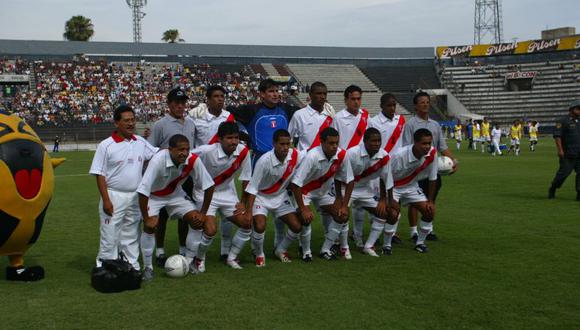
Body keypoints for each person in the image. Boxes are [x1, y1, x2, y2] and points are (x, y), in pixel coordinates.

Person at [136, 134, 215, 281]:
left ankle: (189, 262)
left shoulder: (192, 160)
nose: (184, 153)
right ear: (170, 150)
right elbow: (143, 191)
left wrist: (203, 213)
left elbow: (209, 186)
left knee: (197, 221)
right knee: (150, 227)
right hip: (153, 196)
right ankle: (147, 267)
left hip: (175, 195)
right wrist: (146, 219)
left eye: (187, 149)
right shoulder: (158, 160)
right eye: (180, 149)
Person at [89, 105, 158, 272]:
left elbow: (158, 155)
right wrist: (106, 200)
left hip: (135, 196)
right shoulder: (106, 145)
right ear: (116, 123)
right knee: (110, 233)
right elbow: (99, 174)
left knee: (131, 233)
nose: (130, 123)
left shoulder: (140, 141)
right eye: (126, 120)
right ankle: (105, 267)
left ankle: (131, 267)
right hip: (114, 195)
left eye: (132, 120)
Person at [190, 122, 253, 271]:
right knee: (211, 230)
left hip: (227, 194)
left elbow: (246, 179)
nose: (234, 141)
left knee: (246, 223)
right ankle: (199, 259)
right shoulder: (206, 151)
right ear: (219, 139)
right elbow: (185, 155)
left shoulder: (243, 152)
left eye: (236, 138)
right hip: (204, 194)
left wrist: (243, 202)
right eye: (229, 138)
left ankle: (231, 257)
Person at [147, 88, 196, 267]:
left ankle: (183, 249)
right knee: (161, 215)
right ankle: (160, 251)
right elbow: (150, 149)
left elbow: (194, 149)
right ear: (169, 104)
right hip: (165, 177)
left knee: (185, 214)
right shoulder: (160, 124)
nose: (180, 106)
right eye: (176, 102)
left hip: (185, 176)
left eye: (183, 102)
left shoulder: (191, 123)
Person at [290, 127, 354, 260]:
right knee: (306, 218)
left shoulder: (342, 155)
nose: (335, 146)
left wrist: (342, 202)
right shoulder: (312, 156)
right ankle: (306, 252)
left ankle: (325, 249)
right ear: (322, 142)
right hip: (304, 191)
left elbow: (349, 180)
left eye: (337, 143)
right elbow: (296, 184)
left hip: (323, 192)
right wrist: (302, 209)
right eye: (331, 143)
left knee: (342, 215)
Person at [244, 129, 307, 265]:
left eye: (287, 144)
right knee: (260, 226)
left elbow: (311, 156)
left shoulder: (295, 156)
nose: (285, 147)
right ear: (274, 144)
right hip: (262, 196)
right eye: (281, 144)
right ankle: (259, 254)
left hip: (280, 196)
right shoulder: (264, 161)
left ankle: (280, 250)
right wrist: (248, 212)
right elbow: (253, 188)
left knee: (297, 226)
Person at [190, 85, 237, 261]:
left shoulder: (229, 118)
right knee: (202, 217)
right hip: (203, 175)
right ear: (207, 99)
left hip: (226, 174)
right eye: (216, 96)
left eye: (222, 96)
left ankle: (225, 251)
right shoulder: (197, 118)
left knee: (228, 216)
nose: (220, 99)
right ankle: (194, 254)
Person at [402, 91, 457, 241]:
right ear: (415, 106)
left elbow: (442, 147)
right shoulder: (410, 125)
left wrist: (454, 161)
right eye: (422, 102)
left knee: (431, 199)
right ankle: (413, 231)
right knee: (414, 201)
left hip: (432, 169)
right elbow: (407, 147)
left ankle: (428, 229)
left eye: (427, 102)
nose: (426, 104)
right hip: (416, 170)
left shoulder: (435, 125)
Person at [343, 128, 397, 257]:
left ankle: (368, 246)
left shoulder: (384, 156)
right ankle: (343, 247)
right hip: (345, 189)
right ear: (365, 141)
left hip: (365, 190)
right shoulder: (351, 153)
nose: (377, 143)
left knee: (386, 213)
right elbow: (340, 175)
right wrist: (341, 200)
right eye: (373, 141)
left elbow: (386, 179)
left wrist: (385, 200)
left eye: (379, 141)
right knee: (342, 215)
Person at [331, 85, 369, 250]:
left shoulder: (366, 117)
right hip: (343, 167)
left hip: (362, 166)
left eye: (358, 98)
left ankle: (358, 235)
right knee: (340, 203)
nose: (356, 102)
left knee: (360, 204)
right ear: (346, 100)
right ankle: (337, 239)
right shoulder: (338, 118)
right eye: (352, 99)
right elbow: (333, 142)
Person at [226, 78, 299, 163]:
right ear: (262, 94)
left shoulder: (286, 109)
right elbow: (228, 111)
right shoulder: (251, 110)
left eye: (277, 91)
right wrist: (247, 138)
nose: (275, 94)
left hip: (283, 159)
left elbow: (305, 112)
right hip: (259, 159)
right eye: (271, 91)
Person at [391, 128, 439, 253]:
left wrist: (431, 201)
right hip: (393, 186)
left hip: (411, 186)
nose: (427, 146)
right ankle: (386, 244)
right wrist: (387, 198)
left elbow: (433, 178)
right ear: (415, 143)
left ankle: (420, 243)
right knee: (392, 213)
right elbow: (384, 177)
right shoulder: (398, 155)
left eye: (429, 143)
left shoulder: (432, 153)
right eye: (424, 143)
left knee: (429, 212)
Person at [368, 93, 406, 246]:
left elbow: (403, 143)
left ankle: (392, 232)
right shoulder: (373, 121)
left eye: (394, 105)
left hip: (396, 167)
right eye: (389, 105)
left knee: (395, 200)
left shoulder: (401, 120)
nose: (392, 108)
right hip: (378, 166)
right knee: (377, 201)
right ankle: (374, 232)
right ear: (381, 106)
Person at [548, 100, 580, 201]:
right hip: (568, 154)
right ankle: (553, 188)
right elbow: (557, 136)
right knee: (563, 174)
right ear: (571, 109)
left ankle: (579, 194)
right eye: (578, 109)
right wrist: (560, 150)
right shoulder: (563, 121)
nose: (579, 111)